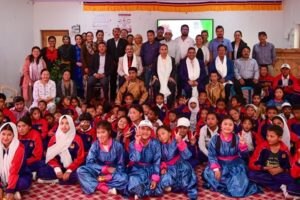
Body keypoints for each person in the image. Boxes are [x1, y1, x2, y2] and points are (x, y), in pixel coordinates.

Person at [202, 116, 260, 197]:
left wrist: (243, 145)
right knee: (210, 174)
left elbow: (244, 156)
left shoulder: (237, 138)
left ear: (233, 127)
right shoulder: (215, 139)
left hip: (235, 164)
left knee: (238, 188)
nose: (227, 126)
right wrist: (216, 169)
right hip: (220, 163)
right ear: (221, 126)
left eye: (230, 124)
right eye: (225, 124)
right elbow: (212, 155)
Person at [77, 121, 128, 195]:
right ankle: (104, 188)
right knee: (80, 171)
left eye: (103, 132)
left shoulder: (118, 146)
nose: (100, 135)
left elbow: (121, 166)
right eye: (98, 133)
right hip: (98, 172)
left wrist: (109, 176)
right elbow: (89, 163)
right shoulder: (95, 145)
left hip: (113, 174)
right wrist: (104, 169)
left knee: (124, 178)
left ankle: (94, 184)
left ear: (109, 132)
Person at [248, 125, 298, 194]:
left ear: (279, 138)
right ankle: (280, 186)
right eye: (267, 135)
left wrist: (281, 169)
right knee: (251, 174)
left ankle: (269, 184)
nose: (268, 138)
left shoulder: (284, 150)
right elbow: (251, 164)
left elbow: (290, 166)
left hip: (279, 173)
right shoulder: (262, 147)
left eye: (272, 136)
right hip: (265, 172)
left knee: (291, 179)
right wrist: (265, 168)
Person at [37, 115, 84, 185]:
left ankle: (57, 181)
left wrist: (69, 170)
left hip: (73, 168)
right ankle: (61, 179)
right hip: (58, 167)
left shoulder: (77, 139)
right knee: (42, 170)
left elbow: (80, 158)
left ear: (71, 124)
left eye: (67, 123)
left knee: (79, 173)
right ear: (59, 125)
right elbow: (50, 156)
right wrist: (57, 169)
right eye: (62, 123)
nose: (64, 126)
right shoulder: (54, 138)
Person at [157, 126, 198, 200]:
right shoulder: (160, 145)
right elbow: (159, 159)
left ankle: (187, 190)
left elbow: (187, 155)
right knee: (164, 181)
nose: (161, 137)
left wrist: (180, 142)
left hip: (180, 165)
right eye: (159, 135)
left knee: (186, 180)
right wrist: (163, 167)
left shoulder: (177, 141)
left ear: (169, 133)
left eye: (163, 133)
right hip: (168, 167)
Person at [127, 120, 162, 199]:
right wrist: (137, 142)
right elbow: (135, 159)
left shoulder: (155, 143)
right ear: (138, 129)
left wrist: (154, 179)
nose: (145, 132)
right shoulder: (133, 144)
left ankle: (139, 192)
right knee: (133, 179)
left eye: (148, 129)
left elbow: (157, 162)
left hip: (150, 169)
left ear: (151, 131)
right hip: (136, 170)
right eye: (143, 128)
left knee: (158, 189)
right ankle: (141, 192)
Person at [0, 122, 32, 200]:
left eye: (9, 134)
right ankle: (8, 189)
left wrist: (10, 190)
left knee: (22, 183)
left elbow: (14, 171)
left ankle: (11, 190)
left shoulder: (19, 148)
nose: (5, 137)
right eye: (3, 134)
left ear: (14, 135)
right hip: (2, 178)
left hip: (19, 175)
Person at [106, 27, 128, 100]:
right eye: (115, 32)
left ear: (120, 33)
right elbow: (108, 53)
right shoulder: (109, 41)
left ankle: (122, 97)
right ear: (113, 33)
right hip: (112, 64)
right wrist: (112, 61)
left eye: (118, 32)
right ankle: (113, 97)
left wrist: (120, 61)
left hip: (122, 64)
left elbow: (126, 53)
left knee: (122, 81)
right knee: (113, 81)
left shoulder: (124, 41)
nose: (116, 33)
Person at [73, 34, 84, 98]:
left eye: (79, 39)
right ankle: (77, 97)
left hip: (83, 66)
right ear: (75, 40)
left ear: (81, 39)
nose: (78, 40)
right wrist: (76, 63)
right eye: (77, 39)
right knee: (76, 81)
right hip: (76, 67)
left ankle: (83, 96)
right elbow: (71, 57)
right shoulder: (73, 47)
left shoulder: (84, 46)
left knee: (83, 81)